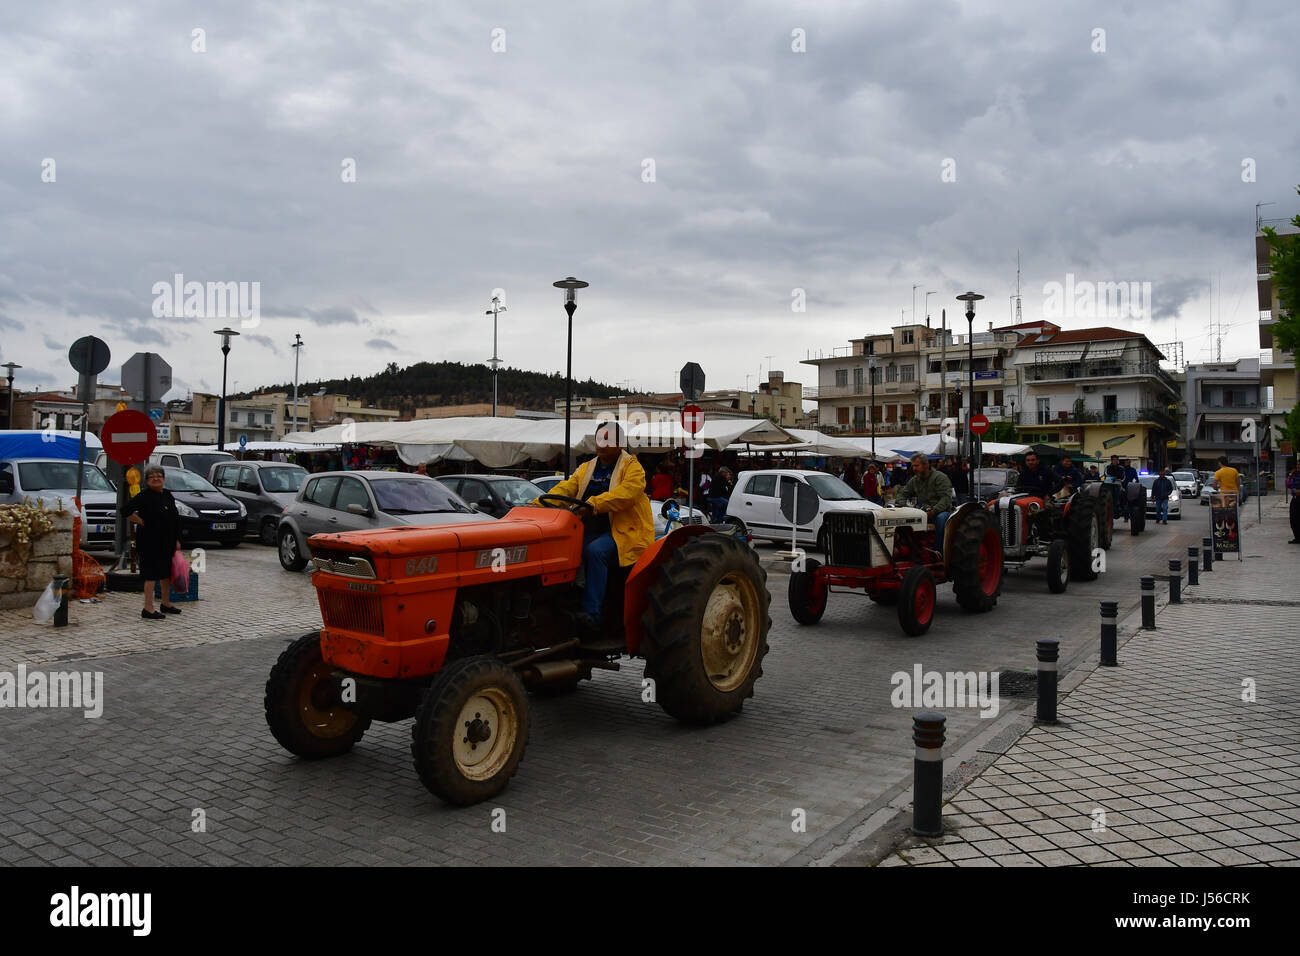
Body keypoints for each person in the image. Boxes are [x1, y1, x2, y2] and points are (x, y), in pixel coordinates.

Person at [533, 421, 654, 636]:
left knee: (595, 552)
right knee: (560, 549)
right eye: (599, 438)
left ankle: (592, 614)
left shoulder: (632, 467)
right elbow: (565, 489)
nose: (601, 443)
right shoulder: (586, 468)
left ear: (619, 443)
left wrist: (593, 506)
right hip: (589, 530)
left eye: (607, 439)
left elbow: (628, 493)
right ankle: (562, 603)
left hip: (624, 533)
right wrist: (536, 504)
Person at [124, 466, 183, 620]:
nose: (156, 478)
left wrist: (177, 539)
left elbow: (175, 518)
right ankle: (148, 608)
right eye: (152, 476)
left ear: (163, 478)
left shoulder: (168, 495)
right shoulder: (143, 496)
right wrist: (139, 521)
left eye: (159, 476)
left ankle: (165, 603)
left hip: (168, 540)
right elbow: (125, 510)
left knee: (166, 573)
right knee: (150, 574)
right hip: (149, 541)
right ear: (147, 480)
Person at [897, 452, 955, 545]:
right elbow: (902, 494)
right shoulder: (915, 480)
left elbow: (946, 499)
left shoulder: (940, 477)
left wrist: (933, 511)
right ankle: (911, 547)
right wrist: (904, 505)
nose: (914, 468)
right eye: (913, 466)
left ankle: (939, 551)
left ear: (926, 465)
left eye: (917, 465)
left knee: (941, 518)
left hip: (941, 512)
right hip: (923, 512)